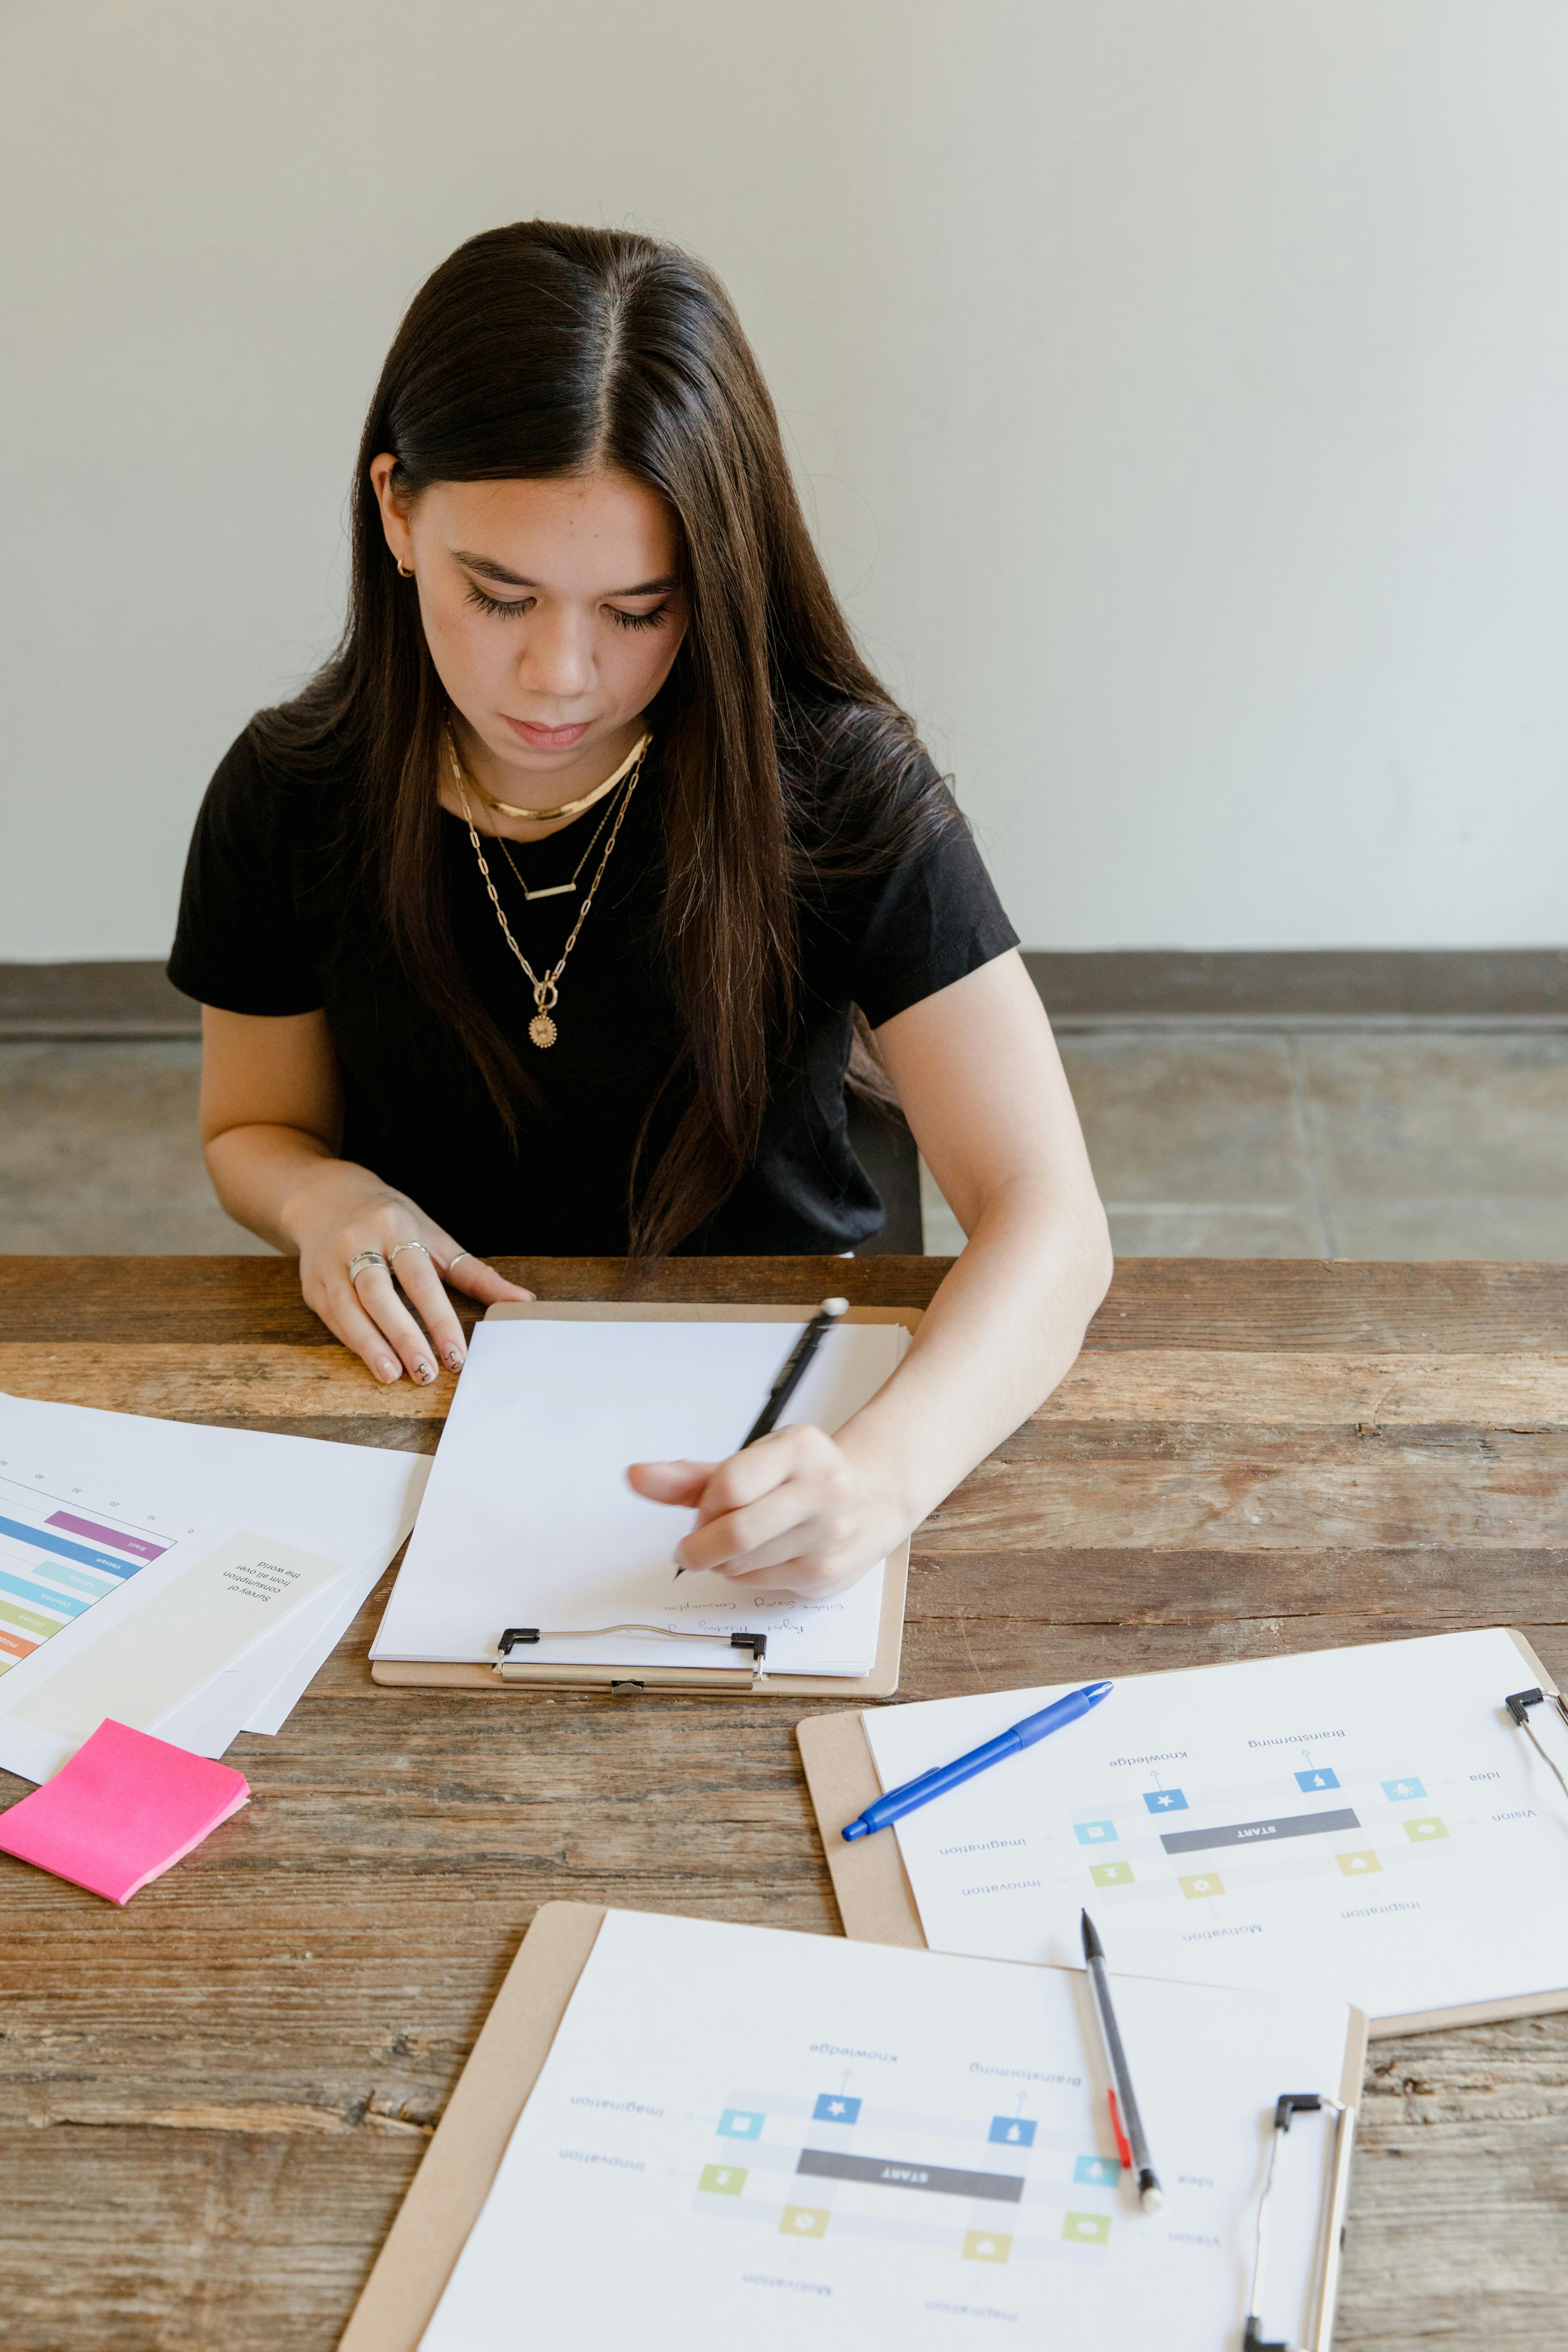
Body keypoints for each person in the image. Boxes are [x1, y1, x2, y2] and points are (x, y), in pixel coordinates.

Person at [169, 220, 1111, 1599]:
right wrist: (325, 1200)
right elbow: (255, 1127)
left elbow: (1051, 1217)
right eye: (500, 596)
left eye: (637, 611)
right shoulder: (288, 792)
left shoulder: (834, 783)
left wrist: (884, 1473)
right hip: (423, 1403)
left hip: (783, 1388)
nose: (559, 675)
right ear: (396, 509)